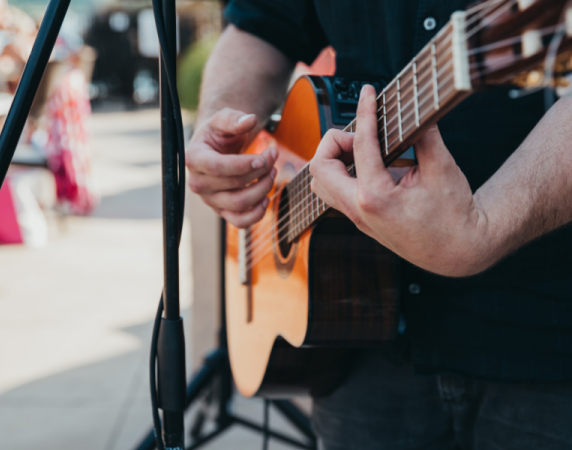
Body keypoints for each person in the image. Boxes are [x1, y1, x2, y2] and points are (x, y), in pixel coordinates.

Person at [186, 1, 572, 448]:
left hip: (549, 346)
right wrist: (220, 127)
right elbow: (263, 23)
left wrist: (490, 226)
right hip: (357, 351)